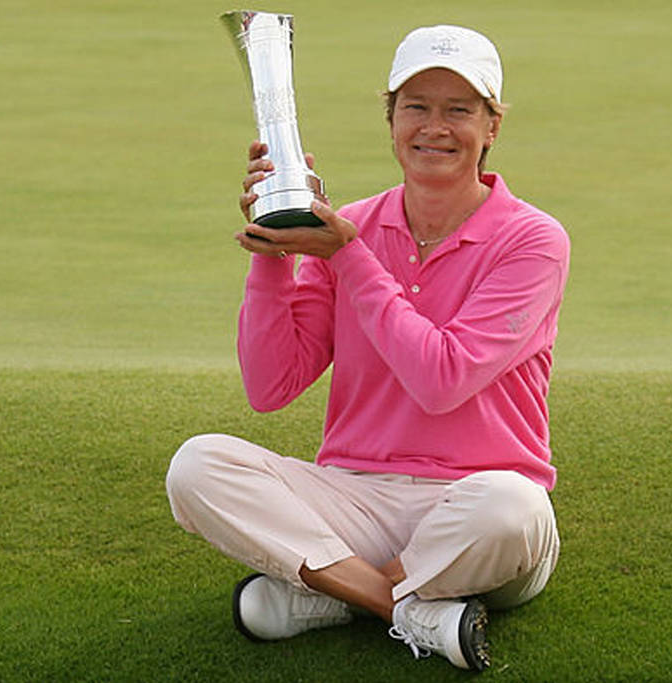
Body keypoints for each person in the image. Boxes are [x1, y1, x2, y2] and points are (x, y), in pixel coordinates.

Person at [166, 24, 570, 672]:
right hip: (356, 494)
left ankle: (329, 594)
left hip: (475, 508)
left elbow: (441, 378)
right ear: (391, 118)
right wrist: (275, 253)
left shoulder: (534, 241)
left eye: (458, 110)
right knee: (196, 467)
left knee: (513, 507)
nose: (434, 127)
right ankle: (401, 605)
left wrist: (348, 256)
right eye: (416, 106)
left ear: (492, 126)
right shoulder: (351, 227)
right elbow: (271, 388)